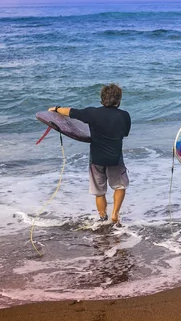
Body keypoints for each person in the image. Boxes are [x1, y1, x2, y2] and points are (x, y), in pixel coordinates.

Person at [48, 83, 131, 224]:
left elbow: (72, 112)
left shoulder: (92, 113)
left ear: (102, 98)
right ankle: (115, 214)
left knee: (99, 191)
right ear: (118, 100)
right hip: (115, 158)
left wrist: (56, 109)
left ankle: (102, 217)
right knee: (120, 186)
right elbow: (125, 134)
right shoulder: (124, 116)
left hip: (97, 158)